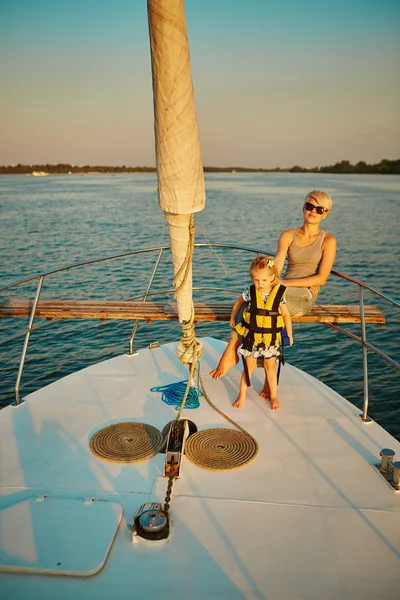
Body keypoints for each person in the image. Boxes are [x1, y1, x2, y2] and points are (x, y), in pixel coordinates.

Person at [210, 189, 336, 379]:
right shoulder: (288, 235)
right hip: (281, 288)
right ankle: (234, 352)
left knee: (269, 307)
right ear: (304, 207)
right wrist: (266, 279)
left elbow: (322, 279)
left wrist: (284, 282)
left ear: (325, 214)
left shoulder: (328, 241)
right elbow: (277, 265)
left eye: (320, 209)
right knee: (250, 302)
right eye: (310, 206)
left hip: (305, 294)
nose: (313, 211)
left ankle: (257, 366)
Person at [231, 256, 292, 410]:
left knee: (270, 367)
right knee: (248, 368)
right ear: (252, 278)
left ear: (272, 277)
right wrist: (233, 317)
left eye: (264, 280)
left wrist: (289, 334)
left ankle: (274, 396)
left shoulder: (279, 295)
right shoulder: (250, 291)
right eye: (256, 280)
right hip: (252, 338)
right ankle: (242, 395)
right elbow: (238, 302)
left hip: (271, 340)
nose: (259, 284)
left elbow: (285, 315)